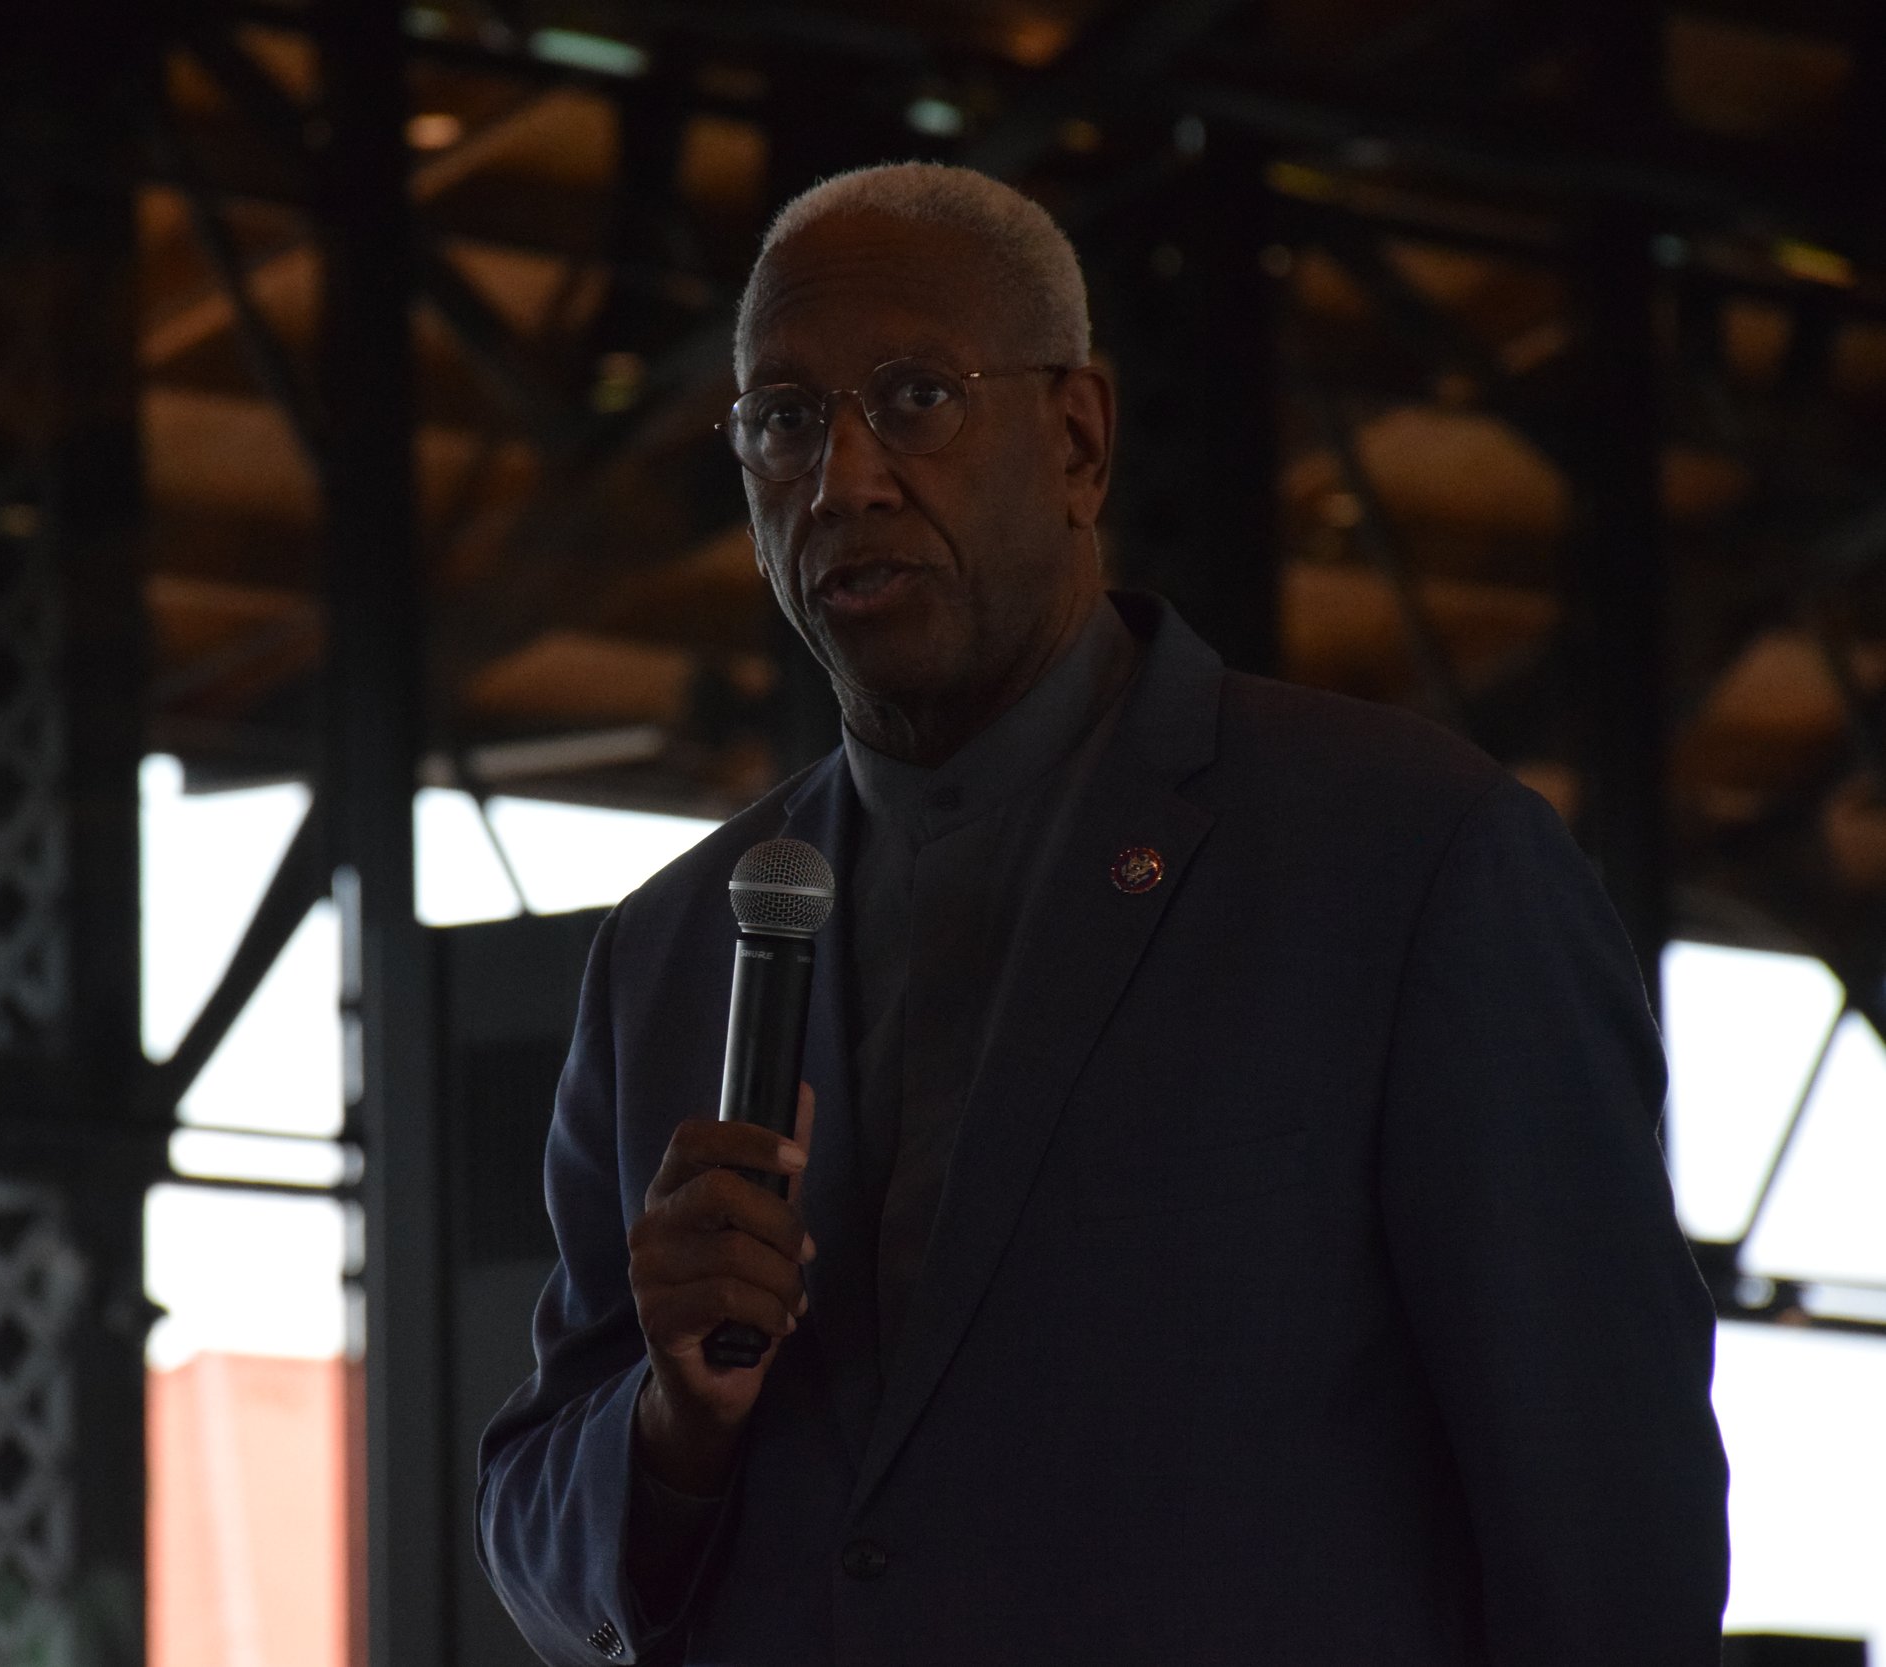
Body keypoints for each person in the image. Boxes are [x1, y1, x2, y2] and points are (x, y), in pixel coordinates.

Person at [476, 161, 1728, 1666]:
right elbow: (537, 1545)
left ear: (1078, 440)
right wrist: (678, 1416)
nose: (847, 478)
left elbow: (1606, 1525)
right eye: (785, 421)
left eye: (918, 397)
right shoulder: (672, 953)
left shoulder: (1409, 862)